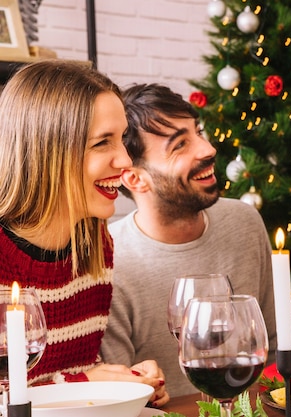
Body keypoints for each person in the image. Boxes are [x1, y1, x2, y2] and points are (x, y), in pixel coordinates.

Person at [99, 83, 291, 398]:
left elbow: (282, 345)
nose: (207, 149)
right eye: (180, 145)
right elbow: (119, 395)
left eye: (198, 132)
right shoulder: (109, 260)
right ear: (135, 178)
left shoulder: (244, 222)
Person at [0, 60, 169, 406]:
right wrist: (83, 383)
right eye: (101, 143)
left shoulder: (94, 243)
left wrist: (125, 385)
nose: (124, 160)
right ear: (46, 150)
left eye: (121, 139)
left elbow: (73, 372)